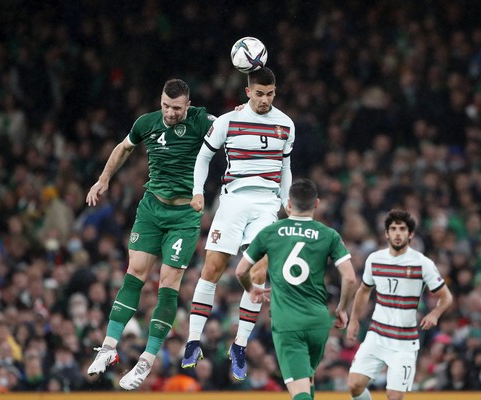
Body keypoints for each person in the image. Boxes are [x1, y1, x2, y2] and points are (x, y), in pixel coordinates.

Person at [85, 79, 216, 390]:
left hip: (184, 215)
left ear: (188, 105)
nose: (170, 113)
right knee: (135, 273)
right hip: (151, 208)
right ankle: (108, 349)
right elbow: (123, 148)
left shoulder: (202, 121)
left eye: (177, 108)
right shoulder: (147, 122)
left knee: (168, 284)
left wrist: (242, 111)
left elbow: (230, 127)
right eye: (166, 106)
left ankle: (146, 361)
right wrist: (103, 180)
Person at [182, 66, 295, 381]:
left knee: (258, 272)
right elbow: (203, 157)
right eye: (259, 94)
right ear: (248, 92)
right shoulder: (227, 121)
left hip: (267, 204)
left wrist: (288, 205)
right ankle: (193, 340)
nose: (264, 100)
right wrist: (197, 192)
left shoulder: (286, 124)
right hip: (233, 199)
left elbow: (285, 167)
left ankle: (240, 345)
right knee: (213, 269)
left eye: (270, 94)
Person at [234, 179, 357, 400]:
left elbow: (240, 271)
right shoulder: (329, 235)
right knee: (306, 379)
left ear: (288, 204)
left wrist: (251, 289)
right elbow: (349, 278)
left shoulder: (270, 232)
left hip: (288, 323)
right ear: (316, 203)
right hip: (319, 322)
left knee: (299, 394)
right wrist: (342, 308)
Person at [346, 209, 453, 400]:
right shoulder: (374, 259)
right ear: (386, 233)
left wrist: (435, 314)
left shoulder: (422, 263)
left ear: (410, 234)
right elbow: (363, 290)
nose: (397, 233)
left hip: (404, 342)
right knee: (354, 385)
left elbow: (446, 297)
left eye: (402, 229)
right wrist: (354, 320)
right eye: (393, 229)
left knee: (394, 396)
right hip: (377, 335)